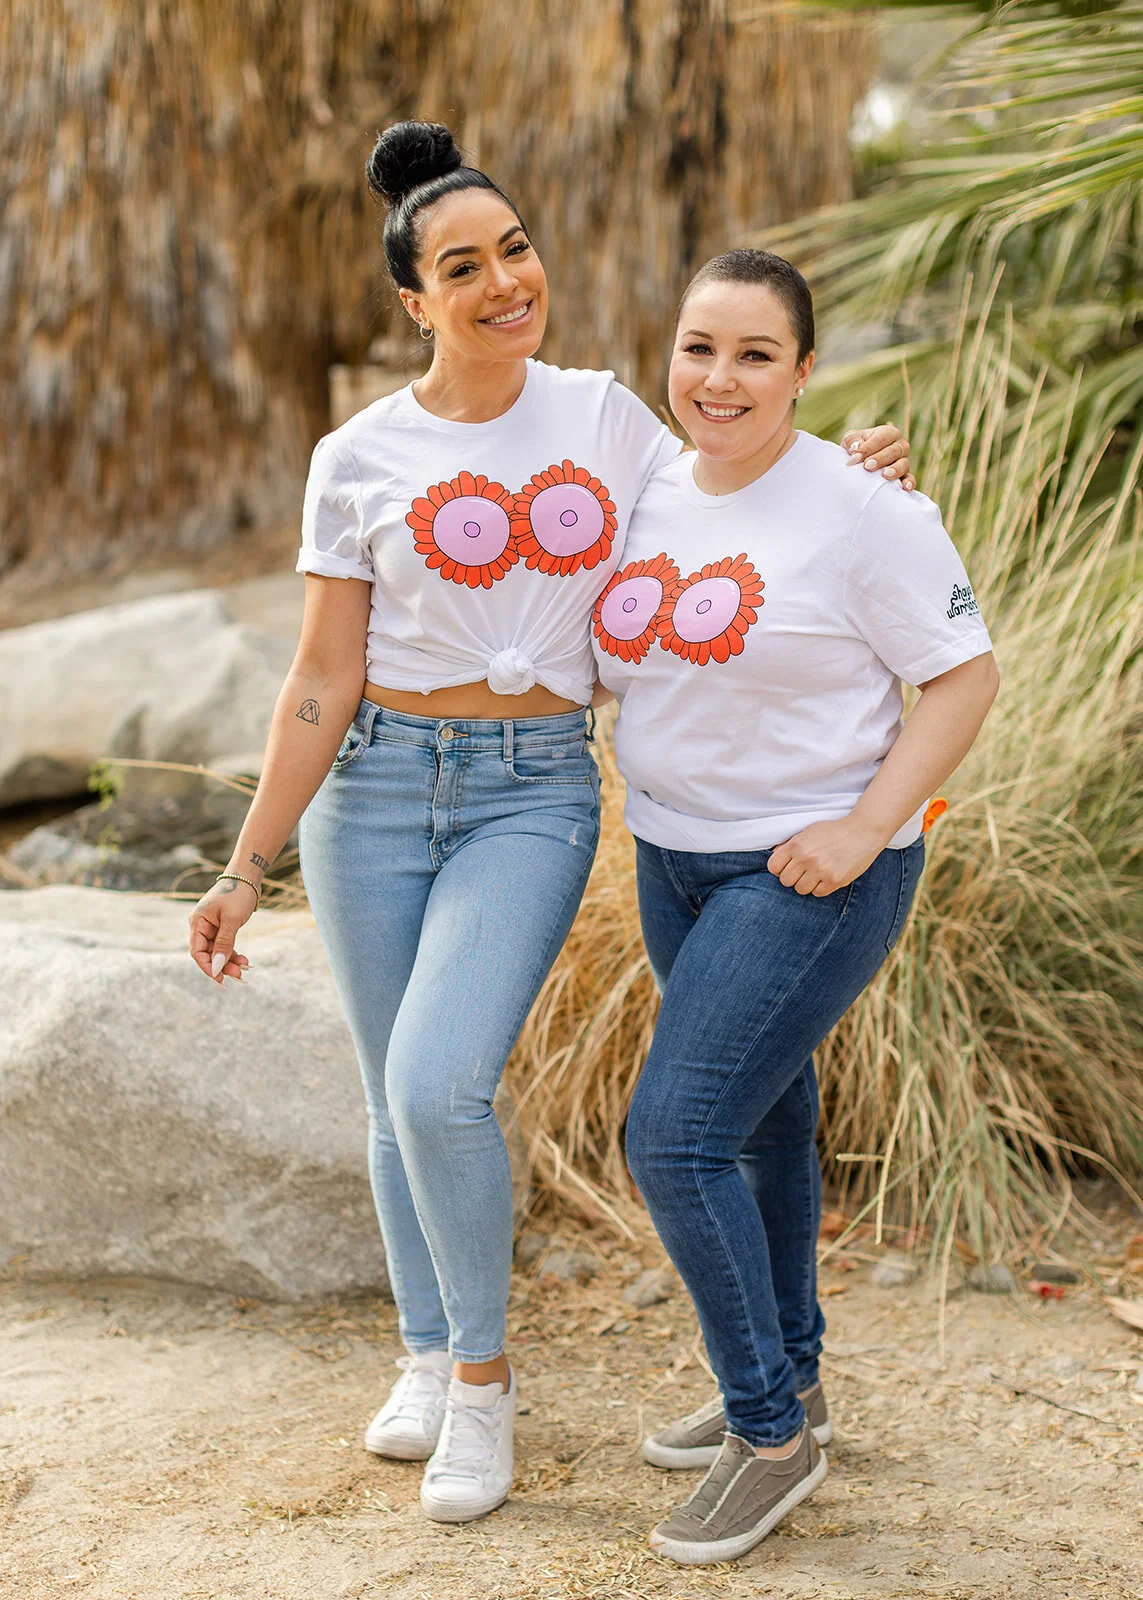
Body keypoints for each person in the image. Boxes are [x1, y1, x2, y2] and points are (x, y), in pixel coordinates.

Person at [186, 123, 913, 1527]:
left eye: (513, 250)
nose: (503, 281)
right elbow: (321, 677)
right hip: (373, 788)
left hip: (531, 787)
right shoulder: (357, 455)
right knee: (390, 1093)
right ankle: (426, 1348)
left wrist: (854, 464)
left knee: (439, 1082)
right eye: (462, 267)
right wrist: (244, 865)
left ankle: (483, 1385)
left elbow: (736, 477)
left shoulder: (604, 419)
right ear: (414, 301)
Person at [593, 249, 998, 1566]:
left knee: (676, 1138)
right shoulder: (650, 487)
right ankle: (797, 1380)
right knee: (763, 1125)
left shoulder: (865, 509)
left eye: (755, 354)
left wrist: (868, 826)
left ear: (804, 371)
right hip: (672, 860)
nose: (719, 378)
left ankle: (770, 1436)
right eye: (698, 347)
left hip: (809, 873)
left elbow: (962, 676)